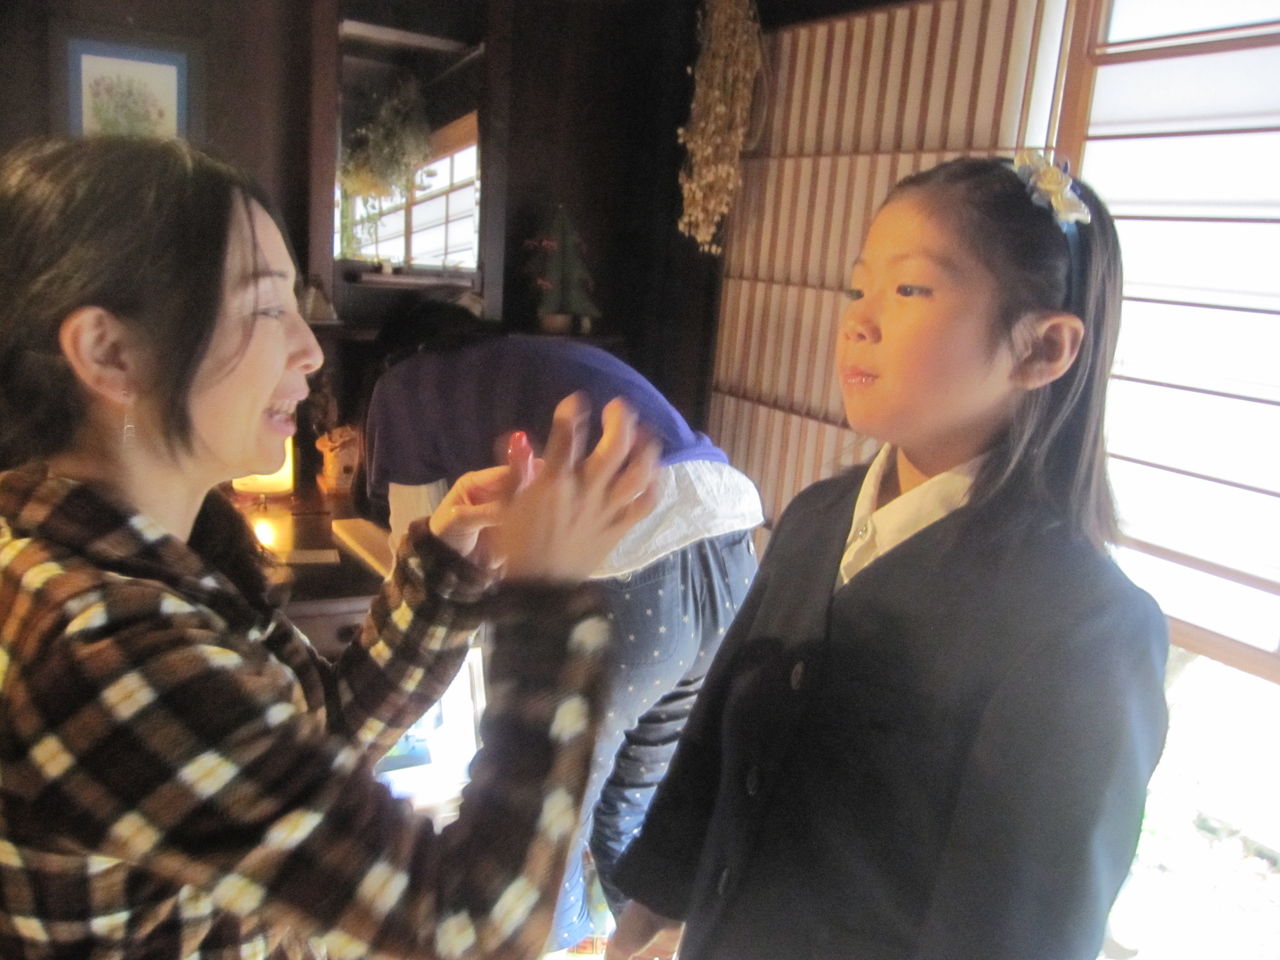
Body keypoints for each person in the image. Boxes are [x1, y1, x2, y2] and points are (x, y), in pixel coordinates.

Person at [0, 136, 661, 959]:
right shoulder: (97, 648)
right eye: (265, 307)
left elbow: (323, 733)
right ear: (109, 352)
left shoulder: (128, 561)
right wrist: (549, 603)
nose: (310, 350)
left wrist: (448, 564)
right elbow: (474, 926)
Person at [605, 153, 1170, 960]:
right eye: (857, 289)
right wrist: (648, 913)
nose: (859, 322)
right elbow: (709, 753)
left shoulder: (1087, 630)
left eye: (909, 291)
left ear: (1042, 349)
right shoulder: (816, 519)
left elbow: (1019, 932)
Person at [361, 308, 763, 949]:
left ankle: (564, 945)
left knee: (554, 823)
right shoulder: (527, 357)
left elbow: (417, 545)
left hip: (633, 564)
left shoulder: (400, 386)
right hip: (733, 546)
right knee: (635, 806)